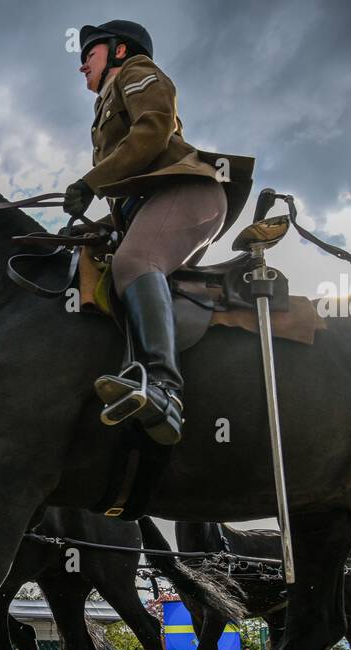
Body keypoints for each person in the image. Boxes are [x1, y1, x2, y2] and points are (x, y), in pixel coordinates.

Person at [65, 20, 252, 442]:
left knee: (136, 262)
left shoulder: (136, 72)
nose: (81, 67)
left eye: (88, 55)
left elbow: (154, 129)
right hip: (151, 205)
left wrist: (89, 182)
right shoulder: (103, 107)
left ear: (118, 51)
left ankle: (164, 388)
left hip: (188, 192)